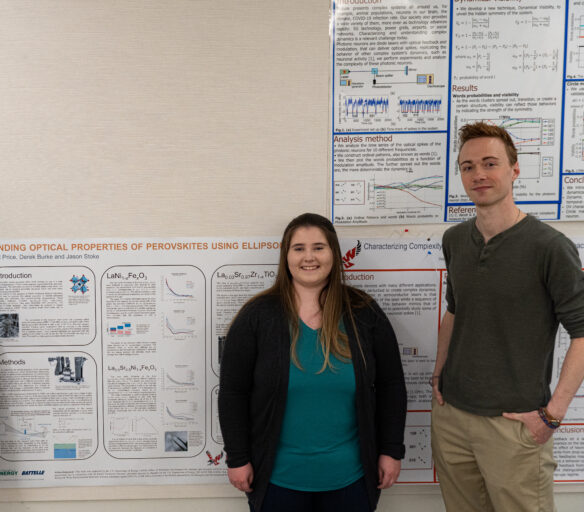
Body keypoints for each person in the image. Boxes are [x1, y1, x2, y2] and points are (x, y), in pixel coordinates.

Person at [431, 122, 584, 511]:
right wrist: (438, 374)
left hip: (514, 424)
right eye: (468, 167)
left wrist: (553, 414)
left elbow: (582, 333)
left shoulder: (550, 247)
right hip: (452, 418)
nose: (478, 174)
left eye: (490, 163)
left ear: (514, 170)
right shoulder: (454, 240)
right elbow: (455, 309)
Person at [218, 213, 407, 512]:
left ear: (333, 253)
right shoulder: (256, 317)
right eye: (299, 248)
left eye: (318, 247)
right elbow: (233, 393)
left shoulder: (364, 312)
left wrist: (391, 450)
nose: (309, 257)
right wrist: (237, 457)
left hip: (352, 480)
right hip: (277, 482)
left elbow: (391, 385)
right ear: (286, 256)